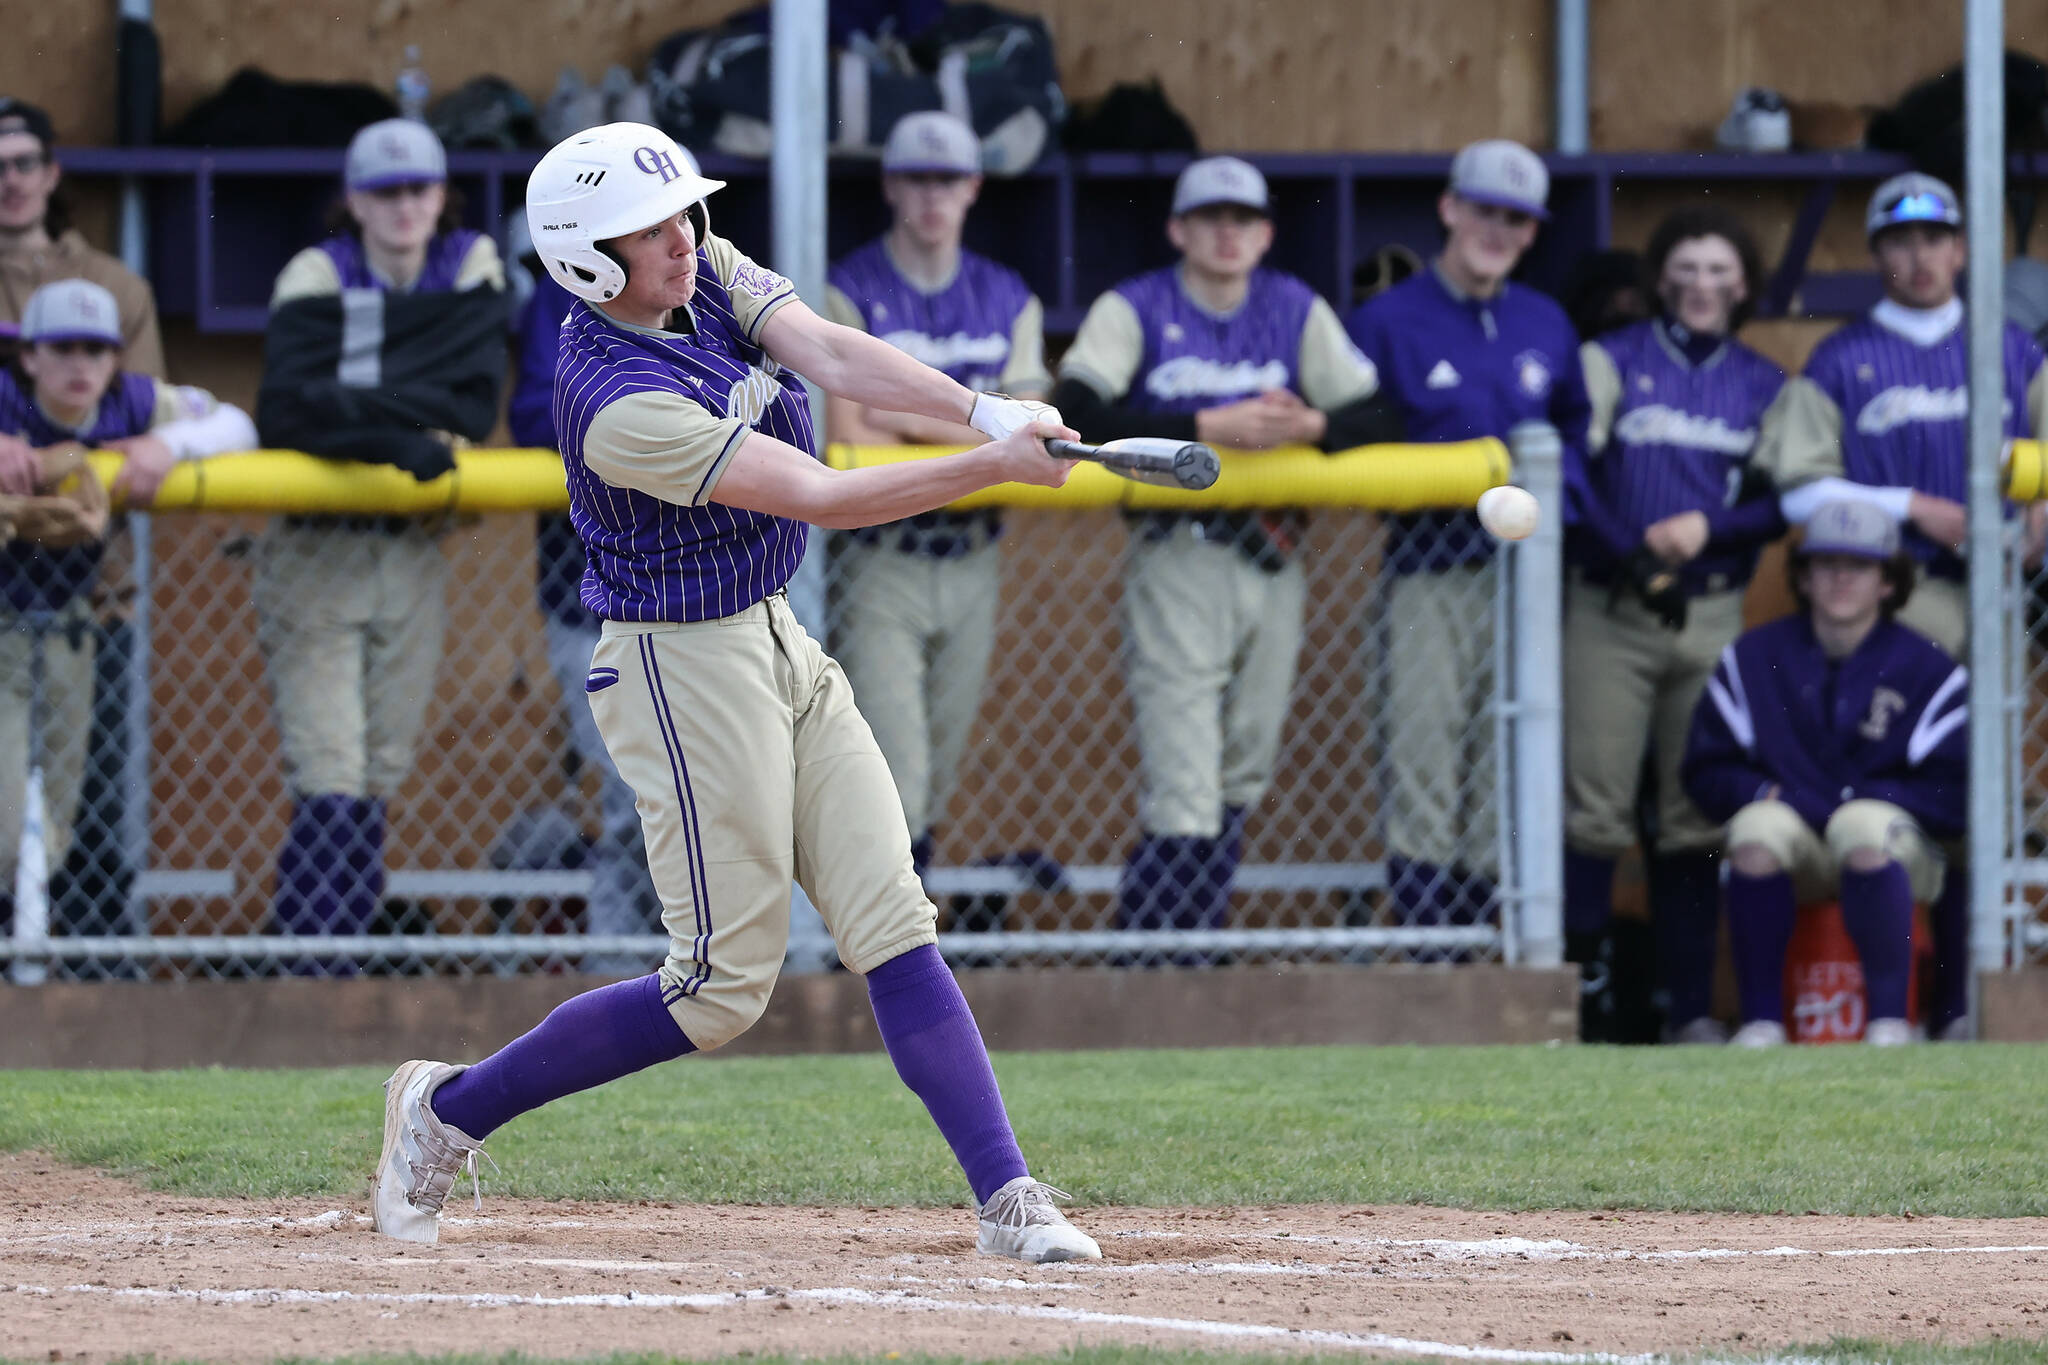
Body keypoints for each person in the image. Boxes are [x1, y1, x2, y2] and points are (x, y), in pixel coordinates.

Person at [370, 122, 1098, 1264]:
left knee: (892, 925)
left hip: (771, 634)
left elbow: (836, 356)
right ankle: (445, 1110)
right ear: (584, 260)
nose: (677, 241)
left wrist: (983, 410)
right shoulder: (612, 399)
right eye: (644, 231)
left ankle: (1007, 1197)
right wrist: (989, 469)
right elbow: (813, 494)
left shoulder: (705, 266)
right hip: (676, 664)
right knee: (718, 991)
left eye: (678, 215)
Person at [1050, 156, 1397, 950]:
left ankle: (1171, 952)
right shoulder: (1135, 305)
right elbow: (1078, 410)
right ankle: (1165, 962)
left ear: (1267, 233)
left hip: (1275, 557)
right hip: (1179, 550)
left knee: (1243, 770)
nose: (1228, 232)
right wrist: (1205, 424)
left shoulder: (1293, 307)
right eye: (1211, 217)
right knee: (1186, 782)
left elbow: (1380, 413)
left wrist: (1312, 426)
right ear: (1179, 229)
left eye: (1243, 219)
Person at [1752, 172, 2048, 1037]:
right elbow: (1797, 491)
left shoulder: (2012, 348)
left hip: (2002, 596)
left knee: (1985, 796)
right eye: (1901, 241)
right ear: (1878, 252)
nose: (1920, 257)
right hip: (1904, 598)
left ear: (1961, 248)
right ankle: (1913, 1001)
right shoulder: (1842, 358)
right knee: (1915, 794)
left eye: (1936, 238)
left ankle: (1970, 1002)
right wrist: (1912, 506)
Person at [252, 119, 507, 966]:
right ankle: (314, 965)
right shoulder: (316, 270)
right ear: (354, 201)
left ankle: (334, 956)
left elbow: (470, 407)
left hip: (409, 548)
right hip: (316, 546)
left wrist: (354, 398)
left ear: (442, 196)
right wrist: (403, 430)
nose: (404, 207)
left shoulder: (468, 261)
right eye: (385, 192)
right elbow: (287, 409)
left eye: (419, 189)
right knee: (330, 762)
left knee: (381, 766)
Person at [1342, 140, 1591, 939]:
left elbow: (1578, 432)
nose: (1498, 230)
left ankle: (1488, 945)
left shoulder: (1544, 321)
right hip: (1428, 565)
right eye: (1485, 210)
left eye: (1516, 219)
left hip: (1526, 576)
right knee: (1424, 754)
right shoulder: (1387, 319)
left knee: (1504, 765)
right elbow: (1352, 432)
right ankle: (1427, 945)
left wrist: (1566, 508)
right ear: (1450, 209)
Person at [1564, 207, 1787, 1043]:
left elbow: (1777, 505)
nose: (1701, 285)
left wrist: (1707, 531)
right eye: (1685, 268)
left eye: (1718, 270)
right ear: (1660, 279)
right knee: (1595, 810)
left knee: (1695, 810)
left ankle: (1691, 1010)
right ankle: (1579, 1010)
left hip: (1711, 605)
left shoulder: (1765, 383)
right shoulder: (1610, 360)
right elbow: (1572, 477)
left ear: (1743, 285)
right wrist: (1632, 552)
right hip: (1612, 605)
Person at [822, 111, 1052, 879]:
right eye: (917, 178)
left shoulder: (1008, 296)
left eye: (947, 178)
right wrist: (982, 431)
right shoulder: (846, 288)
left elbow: (1034, 437)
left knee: (940, 767)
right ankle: (883, 960)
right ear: (890, 186)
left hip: (973, 555)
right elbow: (848, 438)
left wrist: (904, 416)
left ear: (973, 186)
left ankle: (899, 948)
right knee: (897, 775)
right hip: (880, 555)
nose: (932, 195)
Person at [0, 279, 253, 926]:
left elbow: (236, 424)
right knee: (2, 826)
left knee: (55, 816)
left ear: (116, 357)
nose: (80, 366)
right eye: (62, 349)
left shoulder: (129, 400)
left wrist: (168, 444)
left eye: (96, 349)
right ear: (28, 357)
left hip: (66, 618)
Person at [1681, 499, 1966, 1047]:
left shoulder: (1926, 667)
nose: (1840, 578)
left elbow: (1951, 793)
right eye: (1825, 563)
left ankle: (1889, 1025)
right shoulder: (1754, 657)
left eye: (1858, 566)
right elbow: (1705, 770)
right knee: (1756, 831)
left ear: (1888, 581)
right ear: (1803, 577)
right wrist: (1767, 793)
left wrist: (1850, 801)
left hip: (1894, 855)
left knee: (1862, 825)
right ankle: (1762, 1024)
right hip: (1800, 851)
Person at [511, 229, 662, 976]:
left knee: (698, 795)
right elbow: (536, 414)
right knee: (629, 795)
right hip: (590, 595)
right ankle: (619, 972)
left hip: (697, 592)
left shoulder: (697, 281)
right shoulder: (560, 295)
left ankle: (701, 967)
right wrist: (645, 412)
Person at [0, 99, 166, 386]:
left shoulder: (118, 286)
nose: (11, 179)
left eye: (25, 163)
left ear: (51, 175)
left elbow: (148, 403)